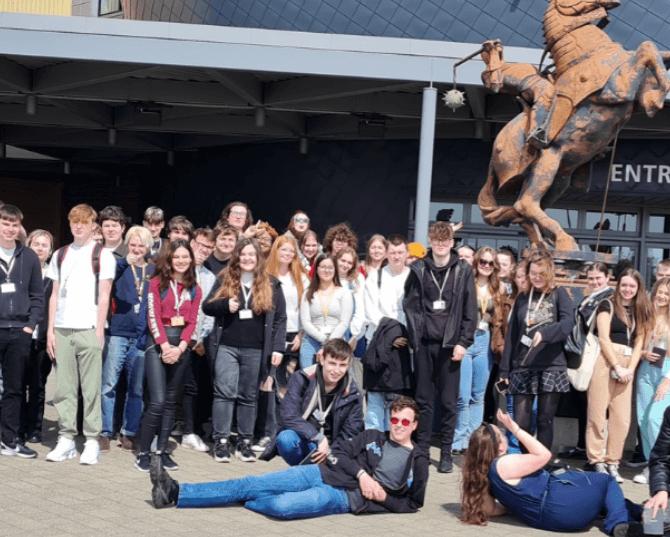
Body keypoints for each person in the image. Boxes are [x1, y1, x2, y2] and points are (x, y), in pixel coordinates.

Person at [150, 396, 429, 521]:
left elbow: (413, 504)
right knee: (253, 482)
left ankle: (243, 497)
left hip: (344, 498)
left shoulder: (418, 460)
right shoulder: (373, 436)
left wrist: (384, 498)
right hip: (321, 473)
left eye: (405, 421)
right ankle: (176, 492)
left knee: (283, 507)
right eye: (394, 419)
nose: (398, 425)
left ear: (414, 425)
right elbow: (338, 453)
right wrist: (362, 475)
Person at [460, 409, 643, 535]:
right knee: (606, 481)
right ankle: (618, 525)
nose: (504, 433)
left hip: (546, 518)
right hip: (562, 508)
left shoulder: (483, 476)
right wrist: (514, 428)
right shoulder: (502, 463)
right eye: (501, 433)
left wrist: (516, 506)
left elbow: (491, 510)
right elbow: (544, 455)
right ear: (498, 446)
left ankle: (643, 513)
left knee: (607, 499)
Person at [202, 238, 286, 464]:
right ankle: (221, 441)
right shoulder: (225, 278)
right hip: (226, 346)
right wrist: (224, 305)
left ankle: (244, 442)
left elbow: (280, 319)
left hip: (257, 349)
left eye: (252, 254)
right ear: (237, 256)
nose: (247, 258)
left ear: (259, 258)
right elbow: (207, 306)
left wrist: (278, 348)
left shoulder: (272, 284)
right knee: (224, 393)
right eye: (243, 254)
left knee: (249, 396)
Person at [402, 221, 477, 473]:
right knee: (423, 401)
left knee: (448, 402)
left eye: (445, 241)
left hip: (451, 347)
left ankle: (445, 453)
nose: (441, 245)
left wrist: (463, 342)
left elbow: (470, 310)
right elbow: (410, 305)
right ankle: (422, 451)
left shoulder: (463, 270)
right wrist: (415, 338)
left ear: (452, 243)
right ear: (431, 242)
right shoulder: (419, 268)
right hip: (425, 345)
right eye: (436, 241)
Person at [45, 204, 116, 465]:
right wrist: (50, 330)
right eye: (74, 221)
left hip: (88, 328)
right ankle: (66, 439)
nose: (78, 226)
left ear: (92, 225)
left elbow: (105, 295)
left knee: (91, 389)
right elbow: (54, 294)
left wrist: (99, 330)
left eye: (84, 222)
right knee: (64, 388)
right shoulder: (60, 254)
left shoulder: (102, 255)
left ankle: (92, 440)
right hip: (62, 328)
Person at [135, 239, 202, 472]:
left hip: (180, 346)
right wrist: (165, 347)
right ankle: (144, 453)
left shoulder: (195, 288)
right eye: (177, 257)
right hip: (157, 344)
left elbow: (192, 322)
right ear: (170, 259)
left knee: (172, 401)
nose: (181, 261)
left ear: (191, 259)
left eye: (185, 257)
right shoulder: (156, 283)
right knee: (158, 401)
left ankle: (162, 451)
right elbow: (152, 317)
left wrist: (180, 348)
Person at [499, 250, 573, 454]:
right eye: (533, 273)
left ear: (550, 272)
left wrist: (545, 333)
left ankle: (541, 464)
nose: (537, 277)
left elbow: (567, 324)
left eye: (541, 273)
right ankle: (527, 462)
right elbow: (512, 336)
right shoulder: (522, 298)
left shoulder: (559, 294)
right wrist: (505, 370)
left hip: (551, 366)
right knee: (521, 423)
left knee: (544, 420)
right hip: (523, 366)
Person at [587, 268, 653, 483]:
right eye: (624, 285)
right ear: (618, 285)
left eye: (632, 286)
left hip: (628, 364)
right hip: (606, 360)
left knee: (621, 419)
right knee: (597, 414)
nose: (627, 289)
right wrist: (616, 365)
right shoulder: (607, 304)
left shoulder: (640, 309)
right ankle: (597, 460)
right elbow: (603, 338)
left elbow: (640, 341)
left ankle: (613, 462)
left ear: (638, 288)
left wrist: (630, 369)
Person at [261, 338, 363, 466]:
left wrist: (331, 453)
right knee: (285, 438)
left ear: (348, 365)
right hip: (307, 438)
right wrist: (318, 437)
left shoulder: (353, 393)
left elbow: (350, 432)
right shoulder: (302, 378)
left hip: (333, 448)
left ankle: (309, 471)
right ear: (322, 360)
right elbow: (289, 415)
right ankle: (302, 468)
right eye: (332, 363)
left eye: (342, 365)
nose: (336, 370)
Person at [100, 225, 155, 453]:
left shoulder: (153, 270)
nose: (136, 249)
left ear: (148, 247)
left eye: (141, 245)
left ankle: (128, 432)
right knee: (109, 385)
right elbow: (107, 276)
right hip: (117, 333)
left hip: (141, 336)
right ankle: (105, 431)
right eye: (133, 245)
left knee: (136, 388)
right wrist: (125, 261)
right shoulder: (119, 264)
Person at [256, 235, 309, 452]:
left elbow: (306, 309)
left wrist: (301, 334)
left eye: (291, 251)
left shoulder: (302, 278)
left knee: (287, 387)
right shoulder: (265, 275)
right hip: (271, 335)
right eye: (283, 249)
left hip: (294, 336)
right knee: (268, 384)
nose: (287, 254)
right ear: (275, 251)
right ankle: (266, 433)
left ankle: (284, 433)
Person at [0, 205, 44, 459]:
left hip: (19, 331)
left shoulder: (28, 257)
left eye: (14, 225)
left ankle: (9, 440)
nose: (10, 229)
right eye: (5, 223)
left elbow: (37, 295)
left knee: (14, 390)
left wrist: (30, 325)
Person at [452, 247, 505, 454]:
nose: (486, 266)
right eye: (483, 261)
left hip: (485, 340)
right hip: (466, 339)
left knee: (478, 395)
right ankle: (459, 439)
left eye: (491, 263)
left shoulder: (499, 287)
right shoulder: (466, 282)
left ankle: (474, 441)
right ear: (476, 262)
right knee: (462, 395)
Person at [559, 262, 613, 461]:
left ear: (608, 278)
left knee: (596, 406)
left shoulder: (608, 299)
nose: (594, 282)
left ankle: (596, 450)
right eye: (591, 278)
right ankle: (583, 446)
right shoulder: (589, 297)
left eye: (598, 278)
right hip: (583, 356)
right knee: (584, 404)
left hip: (597, 358)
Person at [363, 234, 412, 431]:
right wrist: (391, 336)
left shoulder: (414, 277)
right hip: (378, 344)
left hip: (404, 346)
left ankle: (393, 440)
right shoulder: (375, 277)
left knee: (397, 402)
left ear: (407, 253)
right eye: (392, 252)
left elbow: (415, 311)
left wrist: (402, 336)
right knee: (375, 398)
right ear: (386, 254)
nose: (396, 256)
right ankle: (373, 441)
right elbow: (371, 311)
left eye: (400, 252)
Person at [178, 227, 216, 452]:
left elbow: (209, 312)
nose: (203, 250)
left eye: (208, 247)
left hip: (196, 342)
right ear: (191, 243)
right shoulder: (178, 269)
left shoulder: (210, 277)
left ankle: (188, 432)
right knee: (168, 388)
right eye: (200, 244)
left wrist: (202, 339)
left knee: (192, 388)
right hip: (174, 337)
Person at [634, 276, 670, 485]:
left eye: (666, 293)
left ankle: (661, 466)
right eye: (659, 292)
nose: (662, 296)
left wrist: (667, 380)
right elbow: (637, 344)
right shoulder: (647, 317)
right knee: (643, 420)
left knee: (657, 418)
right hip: (646, 370)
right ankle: (651, 466)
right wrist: (643, 354)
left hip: (667, 372)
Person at [21, 229, 55, 444]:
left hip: (43, 338)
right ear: (28, 246)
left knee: (38, 385)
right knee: (18, 384)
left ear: (50, 251)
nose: (40, 249)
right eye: (36, 244)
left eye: (44, 245)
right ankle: (18, 427)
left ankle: (34, 428)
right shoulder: (20, 271)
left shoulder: (54, 276)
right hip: (21, 336)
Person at [299, 254, 353, 369]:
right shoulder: (308, 293)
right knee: (309, 376)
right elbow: (305, 322)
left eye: (330, 267)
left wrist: (329, 344)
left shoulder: (344, 293)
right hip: (311, 340)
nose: (326, 270)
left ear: (335, 270)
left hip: (336, 340)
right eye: (323, 267)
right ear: (316, 269)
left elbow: (344, 322)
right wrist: (323, 340)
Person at [335, 246, 367, 357]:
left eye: (349, 263)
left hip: (353, 332)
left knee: (356, 366)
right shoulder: (328, 278)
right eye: (343, 260)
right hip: (334, 332)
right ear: (336, 259)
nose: (345, 265)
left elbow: (361, 309)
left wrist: (355, 337)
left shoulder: (357, 279)